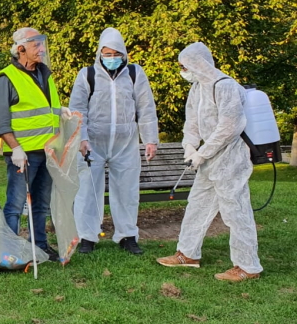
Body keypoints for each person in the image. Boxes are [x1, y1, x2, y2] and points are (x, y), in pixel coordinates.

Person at [156, 42, 263, 282]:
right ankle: (188, 254)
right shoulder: (197, 88)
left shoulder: (225, 86)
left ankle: (248, 266)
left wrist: (203, 152)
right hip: (208, 160)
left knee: (236, 211)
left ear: (198, 63)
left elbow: (230, 127)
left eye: (184, 66)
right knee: (197, 205)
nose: (182, 70)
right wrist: (189, 145)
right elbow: (191, 121)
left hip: (230, 159)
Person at [69, 27, 159, 255]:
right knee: (87, 190)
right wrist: (81, 138)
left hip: (125, 142)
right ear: (99, 53)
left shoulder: (134, 74)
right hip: (93, 144)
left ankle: (127, 235)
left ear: (124, 53)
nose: (111, 58)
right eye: (106, 54)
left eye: (115, 53)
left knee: (127, 190)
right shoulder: (87, 74)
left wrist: (150, 140)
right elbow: (78, 109)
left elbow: (146, 107)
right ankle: (87, 237)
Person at [0, 27, 63, 262]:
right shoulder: (7, 78)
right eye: (36, 45)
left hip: (47, 150)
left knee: (42, 204)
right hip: (23, 153)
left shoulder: (45, 73)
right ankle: (9, 250)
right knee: (15, 204)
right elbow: (1, 122)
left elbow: (49, 111)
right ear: (21, 48)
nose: (42, 49)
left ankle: (39, 246)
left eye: (42, 44)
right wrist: (16, 148)